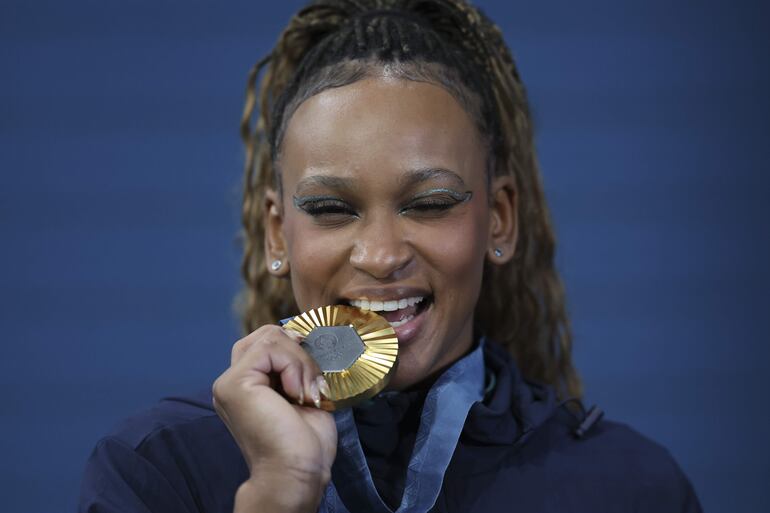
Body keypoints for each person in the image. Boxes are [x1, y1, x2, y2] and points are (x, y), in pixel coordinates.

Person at [78, 1, 702, 511]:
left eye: (429, 204)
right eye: (331, 209)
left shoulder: (629, 488)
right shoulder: (159, 472)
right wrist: (278, 494)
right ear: (277, 233)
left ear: (500, 218)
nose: (379, 256)